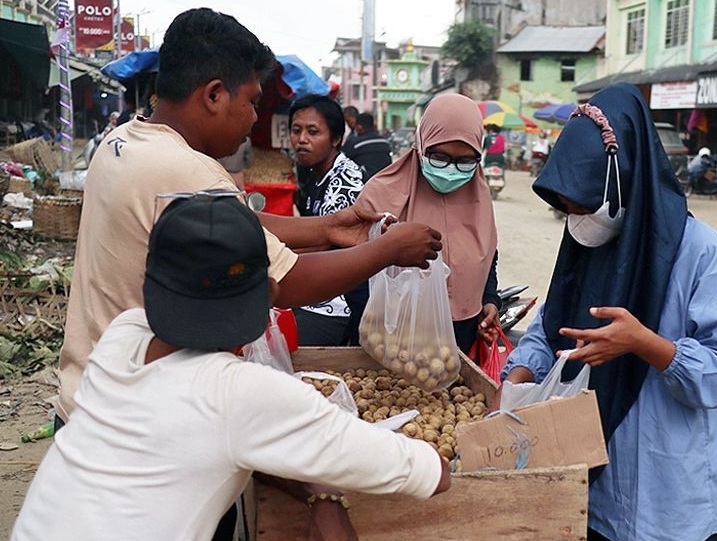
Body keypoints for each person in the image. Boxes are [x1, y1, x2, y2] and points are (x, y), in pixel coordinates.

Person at [56, 9, 442, 539]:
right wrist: (388, 250)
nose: (253, 120)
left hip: (89, 401)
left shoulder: (126, 143)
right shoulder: (191, 172)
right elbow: (287, 282)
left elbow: (228, 222)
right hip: (156, 431)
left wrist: (327, 228)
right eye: (252, 103)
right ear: (214, 95)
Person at [11, 193, 450, 541]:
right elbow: (431, 474)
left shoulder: (122, 337)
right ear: (270, 297)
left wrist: (322, 495)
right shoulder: (241, 394)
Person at [496, 83, 717, 541]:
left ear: (625, 178)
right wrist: (520, 376)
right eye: (568, 210)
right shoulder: (587, 244)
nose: (577, 220)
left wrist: (644, 343)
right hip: (592, 483)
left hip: (665, 494)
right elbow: (551, 325)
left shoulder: (706, 257)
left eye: (584, 205)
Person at [355, 94, 500, 354]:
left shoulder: (480, 196)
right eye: (439, 157)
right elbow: (355, 272)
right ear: (421, 146)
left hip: (461, 338)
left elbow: (489, 255)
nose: (451, 170)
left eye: (466, 160)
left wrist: (490, 299)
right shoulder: (379, 195)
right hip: (394, 339)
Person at [289, 95, 368, 345]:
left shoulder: (345, 180)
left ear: (336, 139)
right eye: (296, 130)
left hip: (339, 302)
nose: (302, 140)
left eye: (313, 132)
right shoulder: (317, 172)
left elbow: (323, 243)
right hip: (322, 286)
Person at [342, 110, 392, 177]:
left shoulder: (354, 143)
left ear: (359, 127)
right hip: (384, 181)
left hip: (364, 183)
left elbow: (343, 162)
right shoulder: (385, 143)